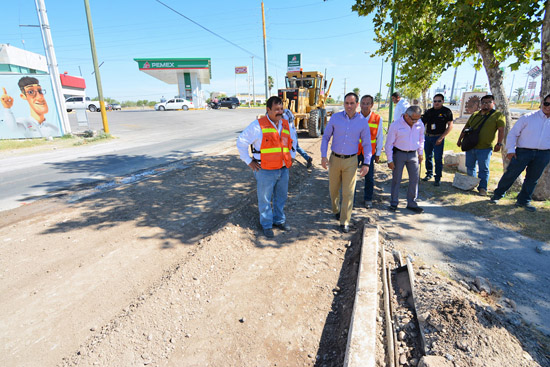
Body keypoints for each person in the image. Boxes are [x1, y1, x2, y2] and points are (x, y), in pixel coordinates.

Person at [236, 96, 297, 238]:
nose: (280, 112)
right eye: (276, 109)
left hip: (283, 169)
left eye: (281, 109)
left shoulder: (285, 124)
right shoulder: (257, 126)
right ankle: (267, 225)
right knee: (264, 199)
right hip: (265, 171)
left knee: (280, 198)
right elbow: (241, 142)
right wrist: (248, 161)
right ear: (268, 110)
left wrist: (292, 157)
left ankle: (279, 220)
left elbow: (292, 142)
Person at [490, 94, 550, 212]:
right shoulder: (528, 117)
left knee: (533, 178)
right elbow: (513, 134)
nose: (548, 107)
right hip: (523, 151)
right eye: (546, 103)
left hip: (543, 154)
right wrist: (511, 150)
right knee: (511, 174)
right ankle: (497, 195)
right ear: (542, 103)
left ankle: (523, 201)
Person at [321, 92, 371, 233]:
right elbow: (325, 137)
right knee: (333, 190)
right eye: (346, 103)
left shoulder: (362, 121)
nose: (349, 106)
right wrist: (323, 156)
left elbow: (367, 144)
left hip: (351, 161)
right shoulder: (336, 118)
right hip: (334, 160)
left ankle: (345, 221)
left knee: (349, 192)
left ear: (357, 104)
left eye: (352, 103)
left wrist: (366, 163)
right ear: (344, 104)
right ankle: (336, 210)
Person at [457, 95, 505, 196]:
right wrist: (460, 139)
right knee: (470, 167)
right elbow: (466, 128)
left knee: (483, 169)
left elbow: (501, 130)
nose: (486, 104)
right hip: (471, 146)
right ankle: (471, 184)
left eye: (488, 102)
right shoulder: (475, 114)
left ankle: (482, 188)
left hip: (485, 148)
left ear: (493, 103)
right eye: (483, 103)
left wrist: (499, 143)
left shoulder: (497, 115)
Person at [385, 105, 425, 213]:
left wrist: (420, 153)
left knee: (415, 179)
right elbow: (389, 144)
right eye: (414, 119)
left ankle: (411, 203)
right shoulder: (396, 125)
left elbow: (421, 139)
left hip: (413, 155)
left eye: (418, 119)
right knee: (396, 179)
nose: (416, 121)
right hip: (399, 154)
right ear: (406, 116)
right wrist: (390, 160)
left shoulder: (419, 123)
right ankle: (394, 203)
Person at [357, 95, 383, 208]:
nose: (365, 106)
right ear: (360, 104)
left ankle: (368, 199)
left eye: (368, 103)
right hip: (355, 152)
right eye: (363, 103)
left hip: (369, 153)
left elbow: (380, 137)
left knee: (369, 177)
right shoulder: (354, 117)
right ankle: (348, 198)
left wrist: (377, 154)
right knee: (350, 175)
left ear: (372, 105)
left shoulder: (377, 119)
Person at [422, 93, 454, 186]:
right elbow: (422, 123)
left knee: (438, 158)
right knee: (428, 156)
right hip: (428, 137)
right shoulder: (429, 111)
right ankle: (429, 173)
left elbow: (450, 125)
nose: (436, 103)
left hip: (438, 137)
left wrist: (442, 137)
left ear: (443, 101)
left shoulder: (446, 111)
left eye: (439, 101)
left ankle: (438, 177)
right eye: (435, 101)